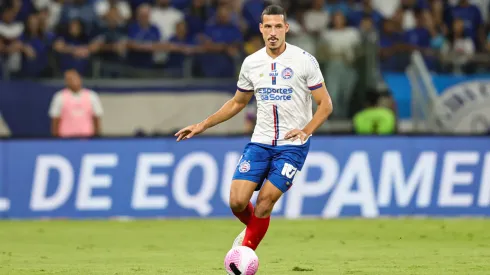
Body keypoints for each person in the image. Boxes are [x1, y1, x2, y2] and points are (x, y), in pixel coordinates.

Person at [174, 5, 333, 251]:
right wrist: (202, 125)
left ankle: (245, 254)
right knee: (237, 202)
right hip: (260, 141)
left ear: (286, 28)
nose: (273, 32)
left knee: (265, 202)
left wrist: (306, 130)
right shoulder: (251, 63)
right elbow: (238, 102)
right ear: (260, 29)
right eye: (268, 26)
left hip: (292, 145)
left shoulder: (304, 60)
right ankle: (254, 230)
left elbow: (325, 105)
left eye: (278, 26)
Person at [49, 69, 103, 138]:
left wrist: (97, 136)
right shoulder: (59, 96)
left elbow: (96, 118)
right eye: (69, 79)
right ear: (66, 82)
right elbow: (55, 119)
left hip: (87, 137)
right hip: (66, 137)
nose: (73, 81)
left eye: (75, 78)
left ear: (80, 79)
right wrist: (55, 138)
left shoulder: (92, 96)